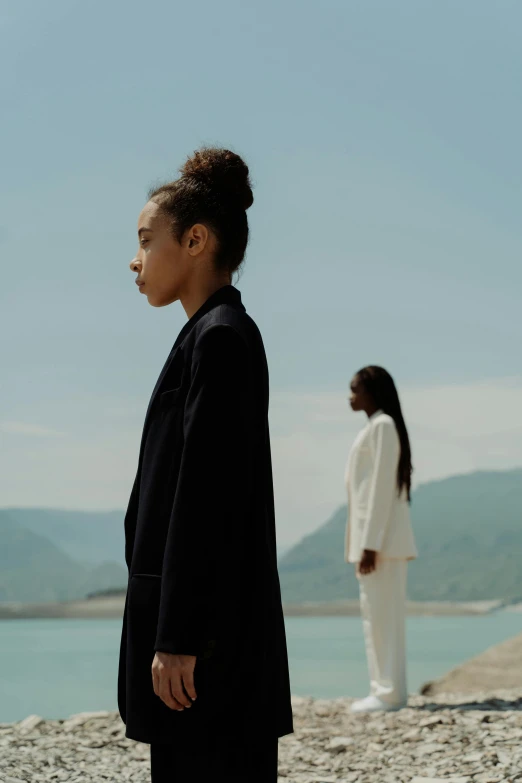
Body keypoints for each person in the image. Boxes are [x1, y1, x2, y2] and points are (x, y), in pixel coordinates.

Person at [118, 147, 293, 782]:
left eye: (145, 239)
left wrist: (178, 638)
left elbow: (205, 499)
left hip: (210, 654)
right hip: (208, 648)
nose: (134, 260)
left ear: (194, 240)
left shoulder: (220, 338)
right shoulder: (207, 335)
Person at [345, 366, 418, 713]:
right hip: (377, 544)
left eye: (355, 389)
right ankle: (384, 690)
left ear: (371, 391)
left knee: (383, 620)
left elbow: (380, 491)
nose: (350, 396)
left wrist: (370, 544)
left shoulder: (384, 427)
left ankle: (388, 693)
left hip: (382, 545)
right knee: (376, 618)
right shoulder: (377, 427)